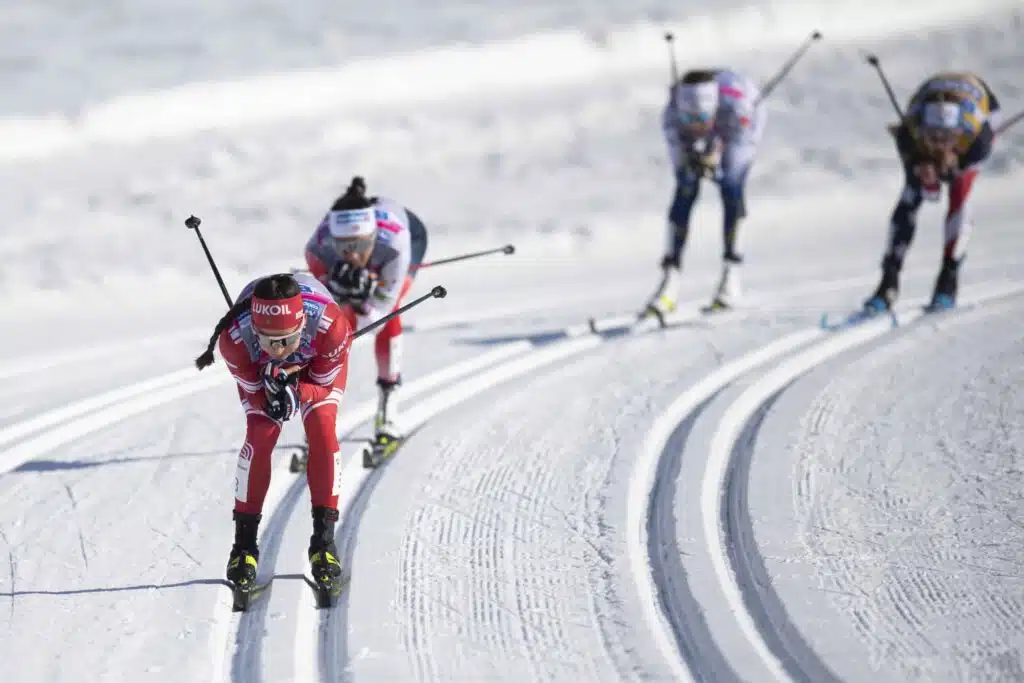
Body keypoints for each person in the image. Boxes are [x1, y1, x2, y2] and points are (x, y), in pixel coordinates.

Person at [194, 272, 352, 589]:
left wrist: (298, 391)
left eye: (287, 340)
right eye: (268, 341)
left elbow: (321, 387)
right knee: (260, 435)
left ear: (302, 327)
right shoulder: (235, 337)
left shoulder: (332, 327)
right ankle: (243, 548)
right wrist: (272, 393)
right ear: (255, 329)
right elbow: (254, 394)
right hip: (261, 372)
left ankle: (324, 545)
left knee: (322, 430)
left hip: (315, 368)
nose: (279, 349)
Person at [303, 176, 428, 445]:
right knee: (332, 318)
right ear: (332, 241)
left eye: (359, 245)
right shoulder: (318, 249)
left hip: (409, 235)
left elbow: (378, 321)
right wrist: (337, 294)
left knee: (391, 310)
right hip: (368, 248)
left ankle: (388, 407)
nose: (352, 255)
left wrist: (361, 301)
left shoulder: (394, 248)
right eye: (344, 247)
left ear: (371, 236)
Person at [864, 71, 1001, 313]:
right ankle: (888, 282)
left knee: (959, 196)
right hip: (930, 100)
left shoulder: (976, 142)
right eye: (933, 138)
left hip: (980, 102)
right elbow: (917, 194)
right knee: (911, 195)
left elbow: (959, 201)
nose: (939, 142)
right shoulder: (909, 138)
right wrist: (925, 174)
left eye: (946, 138)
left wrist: (951, 170)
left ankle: (948, 281)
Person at [646, 68, 767, 315]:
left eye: (701, 120)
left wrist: (717, 168)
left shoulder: (739, 112)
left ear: (712, 112)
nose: (695, 127)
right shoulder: (672, 117)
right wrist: (692, 163)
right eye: (689, 121)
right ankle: (669, 284)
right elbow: (681, 170)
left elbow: (731, 173)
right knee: (685, 189)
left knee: (732, 188)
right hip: (717, 114)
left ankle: (731, 278)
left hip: (740, 119)